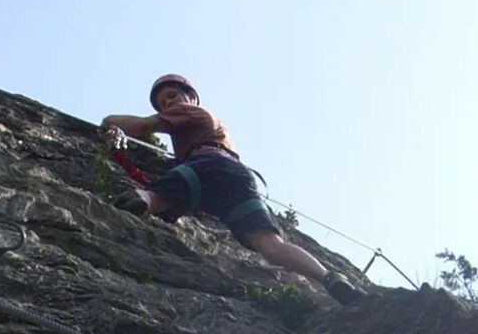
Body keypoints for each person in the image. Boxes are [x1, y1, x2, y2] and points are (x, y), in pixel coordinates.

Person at [100, 74, 360, 304]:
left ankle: (128, 210)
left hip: (207, 165)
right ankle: (328, 277)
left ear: (191, 97)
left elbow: (144, 126)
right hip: (237, 177)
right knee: (271, 245)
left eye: (172, 96)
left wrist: (108, 121)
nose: (168, 105)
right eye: (163, 103)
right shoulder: (212, 128)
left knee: (156, 196)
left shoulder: (193, 113)